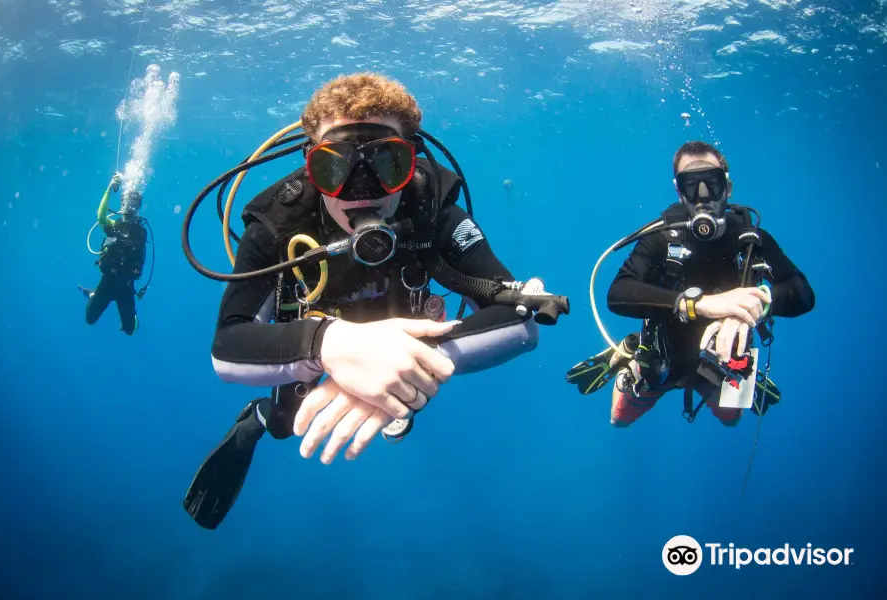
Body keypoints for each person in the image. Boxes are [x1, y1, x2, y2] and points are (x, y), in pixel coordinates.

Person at [183, 72, 567, 529]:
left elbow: (520, 318)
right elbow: (227, 347)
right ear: (310, 166)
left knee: (403, 394)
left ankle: (393, 394)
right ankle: (259, 421)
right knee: (289, 421)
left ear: (413, 162)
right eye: (334, 167)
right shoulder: (278, 222)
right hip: (316, 332)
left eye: (387, 163)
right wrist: (330, 346)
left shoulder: (433, 208)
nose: (361, 190)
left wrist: (405, 360)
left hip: (404, 331)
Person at [565, 140, 814, 427]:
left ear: (728, 188)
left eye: (712, 183)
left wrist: (760, 302)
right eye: (691, 185)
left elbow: (804, 294)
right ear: (678, 191)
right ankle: (629, 358)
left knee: (730, 419)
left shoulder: (749, 239)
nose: (703, 196)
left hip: (720, 360)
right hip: (663, 356)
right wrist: (698, 305)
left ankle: (742, 379)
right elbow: (617, 294)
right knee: (619, 419)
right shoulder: (662, 236)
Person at [80, 173, 149, 336]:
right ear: (122, 204)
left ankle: (132, 320)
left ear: (137, 207)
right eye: (127, 203)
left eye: (133, 204)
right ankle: (93, 294)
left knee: (130, 329)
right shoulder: (114, 225)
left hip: (126, 286)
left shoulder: (141, 232)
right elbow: (101, 216)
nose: (129, 208)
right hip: (108, 282)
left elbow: (139, 255)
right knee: (90, 319)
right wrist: (110, 189)